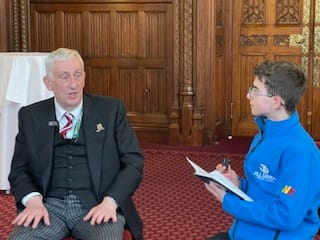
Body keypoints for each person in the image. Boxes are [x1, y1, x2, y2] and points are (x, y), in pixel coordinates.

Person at [8, 48, 144, 240]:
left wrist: (110, 202)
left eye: (78, 75)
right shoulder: (31, 116)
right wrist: (33, 201)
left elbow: (134, 163)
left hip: (97, 204)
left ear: (84, 77)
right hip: (48, 206)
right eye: (64, 77)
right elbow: (19, 170)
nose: (73, 84)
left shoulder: (111, 111)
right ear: (48, 83)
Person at [205, 60, 320, 239]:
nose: (247, 95)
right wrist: (238, 184)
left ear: (276, 102)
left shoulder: (300, 152)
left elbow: (285, 215)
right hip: (244, 233)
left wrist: (230, 202)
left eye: (254, 90)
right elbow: (264, 189)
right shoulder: (264, 134)